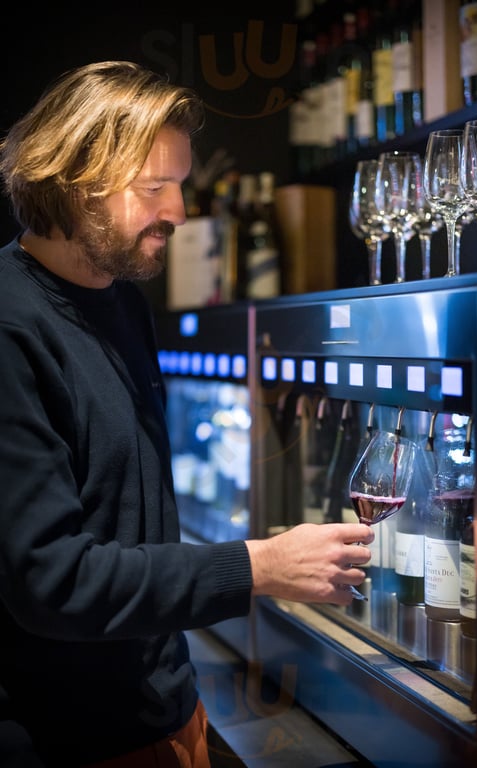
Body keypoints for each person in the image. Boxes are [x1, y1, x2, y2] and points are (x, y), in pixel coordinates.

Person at [0, 61, 373, 768]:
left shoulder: (123, 303)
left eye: (180, 185)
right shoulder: (12, 328)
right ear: (76, 180)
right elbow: (51, 581)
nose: (177, 211)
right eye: (154, 188)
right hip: (70, 740)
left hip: (167, 709)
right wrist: (257, 566)